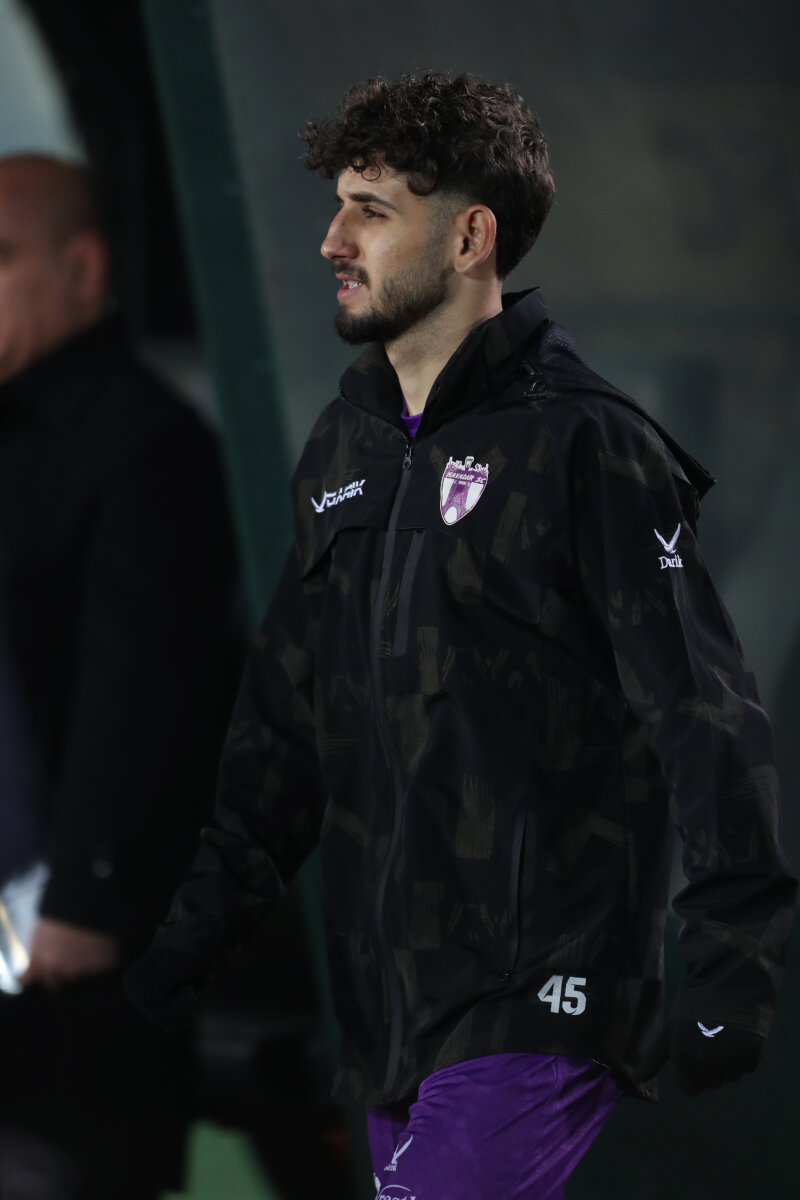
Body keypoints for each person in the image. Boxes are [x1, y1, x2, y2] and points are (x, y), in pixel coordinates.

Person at [127, 74, 797, 1199]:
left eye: (372, 210)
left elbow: (703, 713)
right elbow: (285, 726)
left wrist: (734, 965)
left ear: (470, 237)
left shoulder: (587, 442)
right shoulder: (342, 449)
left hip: (541, 987)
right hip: (387, 999)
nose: (334, 240)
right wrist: (195, 934)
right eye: (337, 206)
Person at [0, 154, 240, 1198]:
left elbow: (143, 691)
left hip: (72, 951)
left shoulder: (144, 444)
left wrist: (85, 901)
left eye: (0, 259)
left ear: (83, 268)